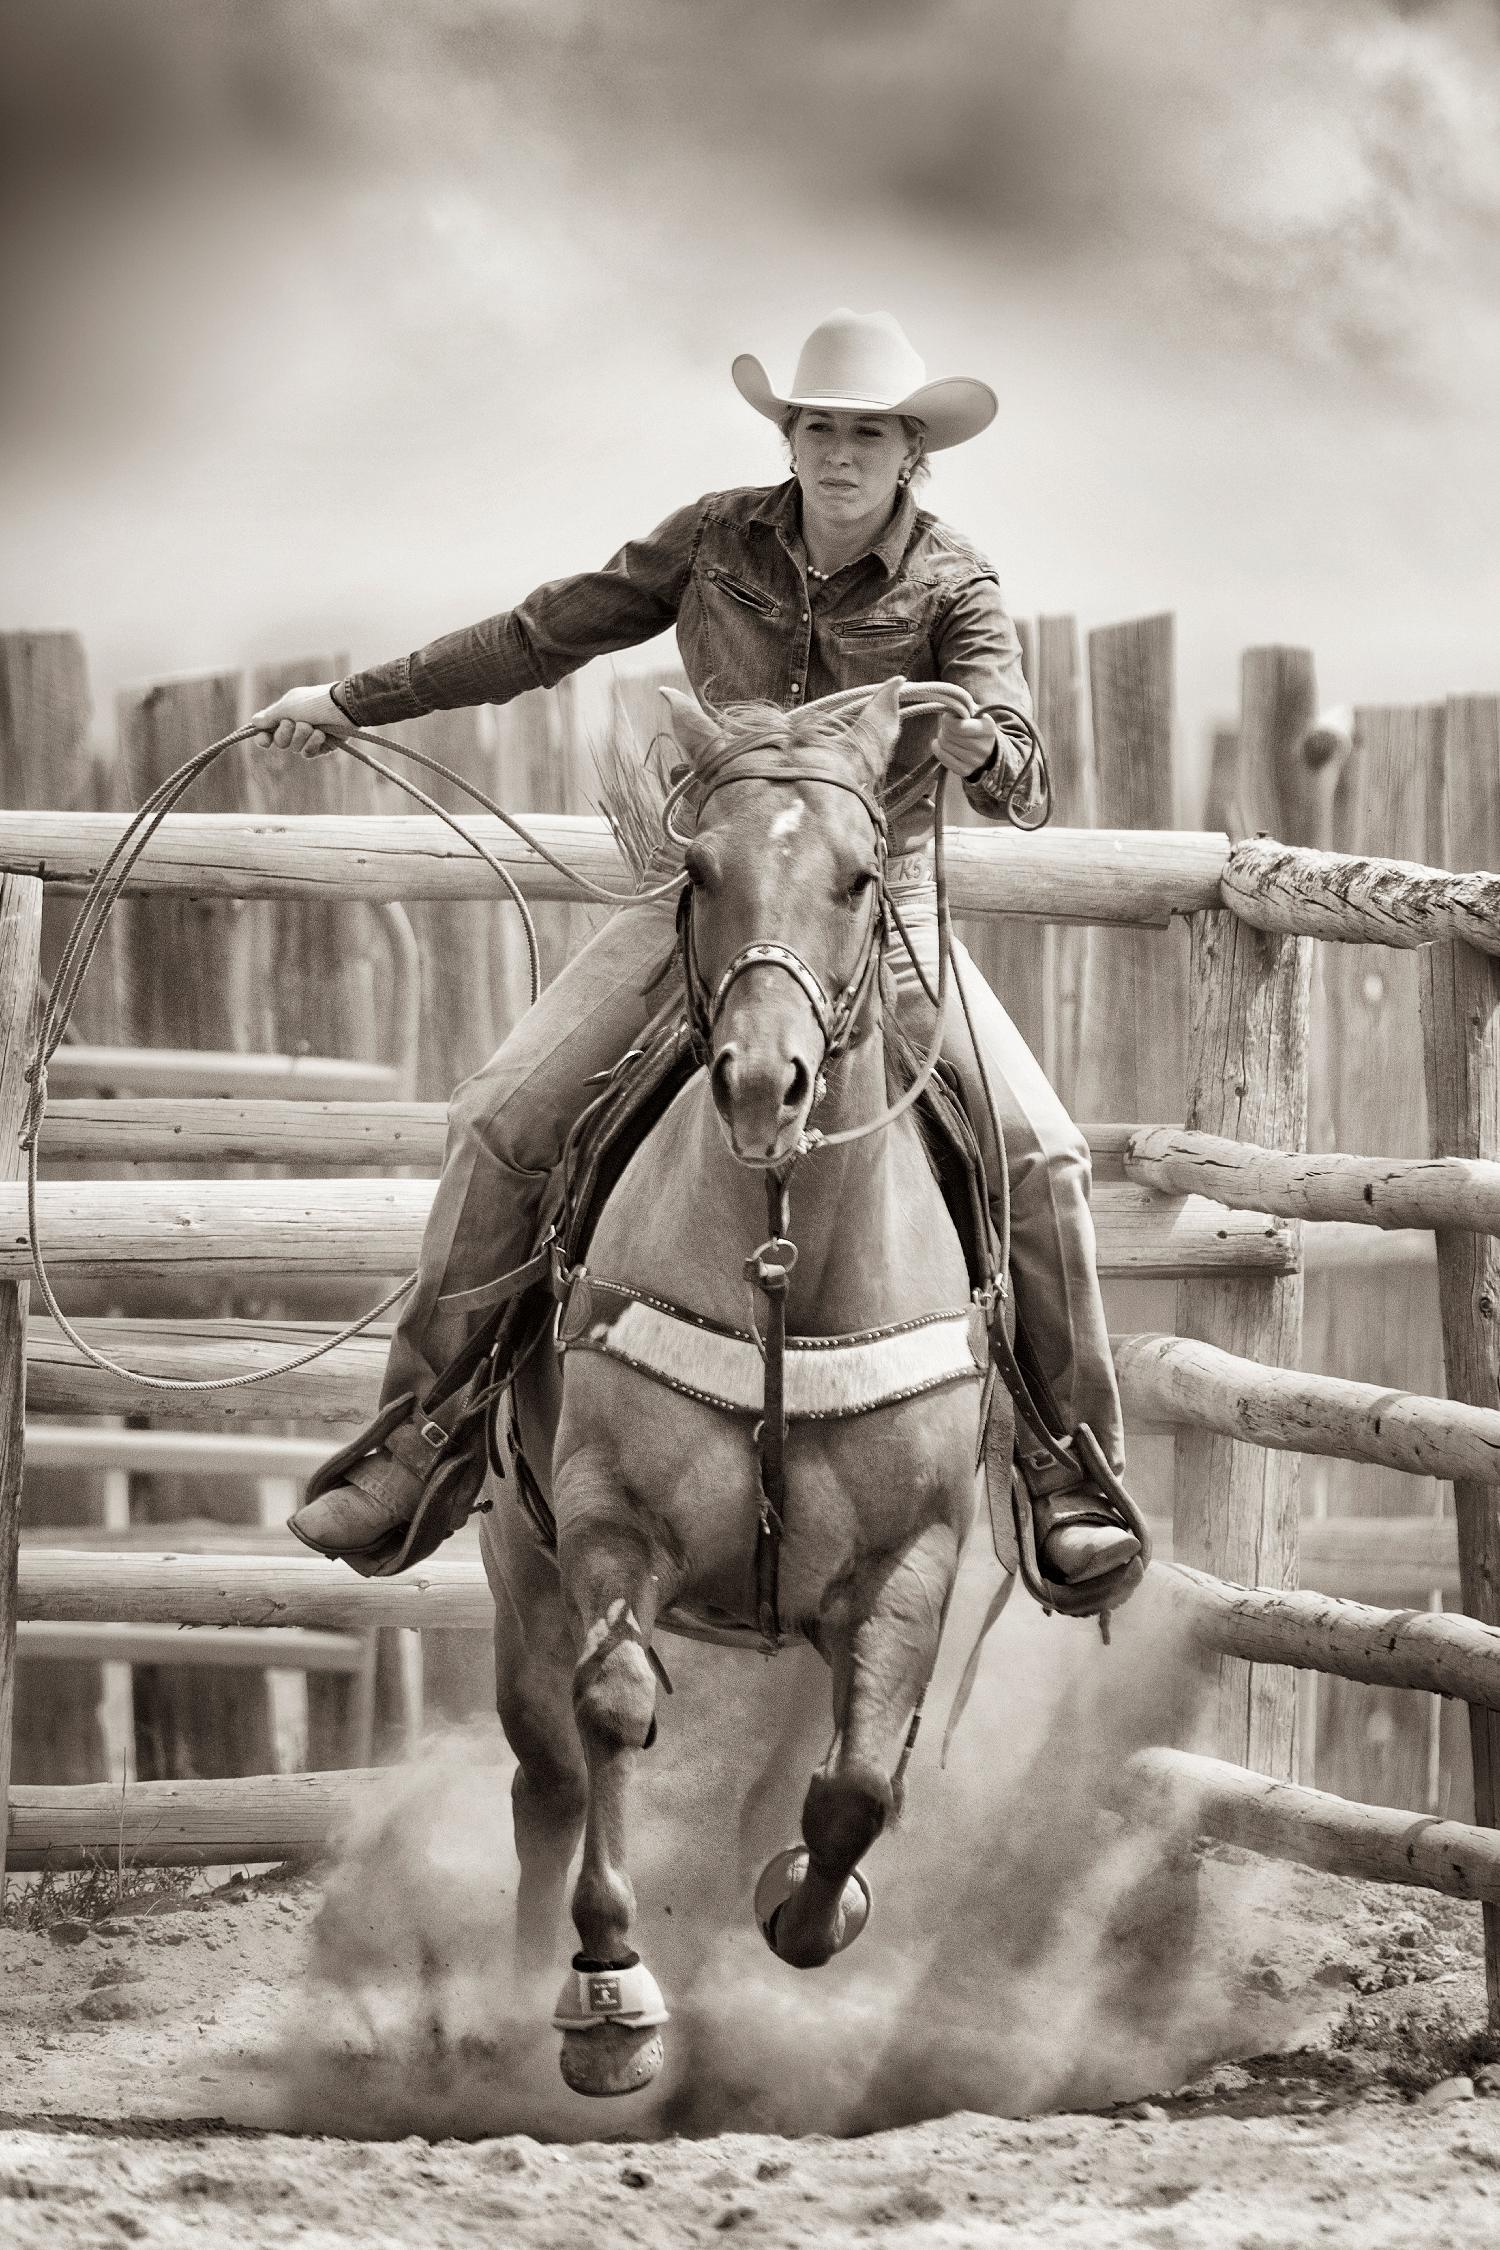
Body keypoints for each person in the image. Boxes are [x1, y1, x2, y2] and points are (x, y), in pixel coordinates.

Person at [251, 308, 1138, 1596]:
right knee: (505, 1113)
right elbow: (540, 632)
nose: (840, 453)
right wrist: (348, 703)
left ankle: (1066, 1466)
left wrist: (979, 751)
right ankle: (426, 1434)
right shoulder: (717, 536)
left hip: (869, 911)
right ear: (792, 435)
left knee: (1042, 1153)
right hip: (710, 898)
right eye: (819, 427)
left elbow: (1024, 774)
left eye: (868, 433)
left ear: (910, 451)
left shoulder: (957, 584)